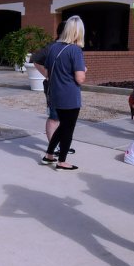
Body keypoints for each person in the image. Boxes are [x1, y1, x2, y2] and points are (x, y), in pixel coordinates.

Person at [40, 16, 86, 170]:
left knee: (62, 127)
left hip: (55, 94)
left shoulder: (53, 48)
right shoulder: (75, 50)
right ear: (79, 32)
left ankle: (49, 155)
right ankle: (62, 161)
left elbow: (46, 72)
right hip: (70, 96)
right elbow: (80, 79)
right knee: (68, 129)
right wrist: (83, 71)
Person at [31, 21, 74, 154]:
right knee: (54, 117)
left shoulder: (69, 47)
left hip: (67, 88)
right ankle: (53, 147)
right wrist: (47, 74)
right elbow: (35, 58)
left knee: (64, 118)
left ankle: (61, 145)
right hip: (53, 88)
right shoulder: (52, 47)